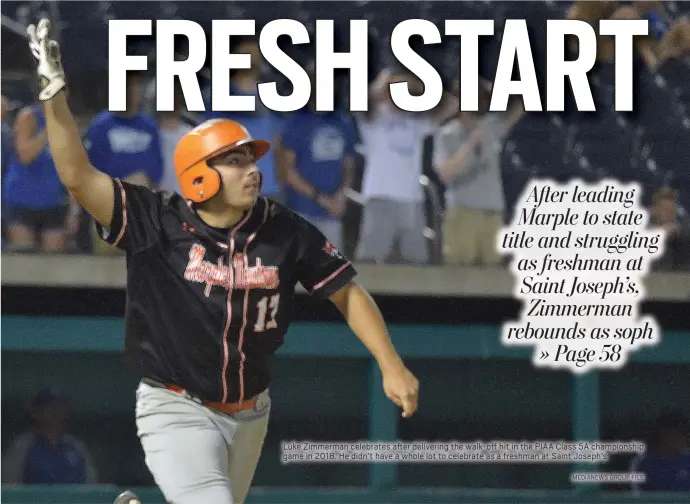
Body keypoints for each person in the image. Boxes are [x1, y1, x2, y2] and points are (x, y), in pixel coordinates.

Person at [27, 19, 419, 504]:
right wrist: (54, 96)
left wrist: (391, 364)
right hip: (176, 407)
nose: (252, 170)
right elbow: (78, 176)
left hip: (252, 413)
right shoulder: (157, 220)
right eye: (233, 161)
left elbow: (346, 292)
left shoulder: (283, 229)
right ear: (198, 177)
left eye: (250, 159)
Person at [355, 68, 456, 264]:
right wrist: (382, 83)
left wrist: (420, 86)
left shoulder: (416, 121)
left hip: (412, 201)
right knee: (368, 260)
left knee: (416, 261)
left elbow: (452, 105)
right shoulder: (374, 118)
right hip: (380, 197)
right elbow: (361, 100)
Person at [432, 78, 524, 267]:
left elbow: (521, 106)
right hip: (463, 211)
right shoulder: (447, 134)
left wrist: (494, 89)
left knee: (491, 273)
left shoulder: (492, 125)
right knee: (458, 271)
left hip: (492, 211)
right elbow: (445, 174)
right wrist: (469, 145)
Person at [84, 72, 163, 254]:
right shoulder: (100, 126)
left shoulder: (149, 126)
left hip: (142, 211)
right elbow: (92, 172)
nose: (128, 92)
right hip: (108, 210)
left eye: (132, 87)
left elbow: (156, 171)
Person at [201, 34, 284, 202]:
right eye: (246, 52)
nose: (252, 58)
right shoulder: (216, 95)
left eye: (255, 53)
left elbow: (278, 142)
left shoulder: (271, 96)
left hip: (269, 189)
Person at [281, 75, 357, 251]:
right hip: (302, 211)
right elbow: (289, 172)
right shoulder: (297, 122)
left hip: (332, 214)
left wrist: (341, 195)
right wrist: (320, 198)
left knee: (334, 272)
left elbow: (349, 165)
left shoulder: (343, 121)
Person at [1, 387, 99, 484]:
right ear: (35, 413)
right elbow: (10, 489)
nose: (56, 411)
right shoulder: (21, 447)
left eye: (60, 406)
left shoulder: (77, 447)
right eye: (49, 407)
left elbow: (91, 486)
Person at [630, 411, 690, 492]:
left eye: (682, 434)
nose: (680, 438)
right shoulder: (642, 463)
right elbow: (639, 496)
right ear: (663, 435)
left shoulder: (687, 460)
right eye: (673, 434)